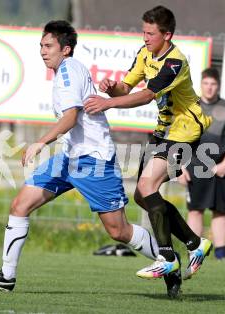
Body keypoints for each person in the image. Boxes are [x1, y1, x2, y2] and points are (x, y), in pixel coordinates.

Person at [0, 20, 165, 294]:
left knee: (119, 231)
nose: (42, 51)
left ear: (66, 49)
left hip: (94, 161)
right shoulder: (66, 69)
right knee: (20, 205)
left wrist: (39, 143)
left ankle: (167, 259)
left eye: (48, 46)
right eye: (41, 45)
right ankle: (7, 276)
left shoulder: (67, 74)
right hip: (69, 157)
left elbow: (71, 117)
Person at [84, 5, 213, 281]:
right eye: (143, 32)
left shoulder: (175, 62)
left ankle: (167, 257)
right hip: (165, 131)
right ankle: (195, 243)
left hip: (185, 132)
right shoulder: (145, 53)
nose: (145, 38)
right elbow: (127, 88)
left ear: (167, 35)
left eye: (150, 33)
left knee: (146, 186)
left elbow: (146, 96)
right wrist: (112, 88)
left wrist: (108, 104)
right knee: (142, 196)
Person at [178, 68, 225, 261]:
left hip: (221, 167)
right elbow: (177, 139)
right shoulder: (189, 106)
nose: (209, 88)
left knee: (220, 211)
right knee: (195, 210)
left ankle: (222, 254)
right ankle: (195, 251)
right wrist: (179, 168)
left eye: (213, 84)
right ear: (200, 84)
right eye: (206, 84)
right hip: (194, 166)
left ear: (218, 85)